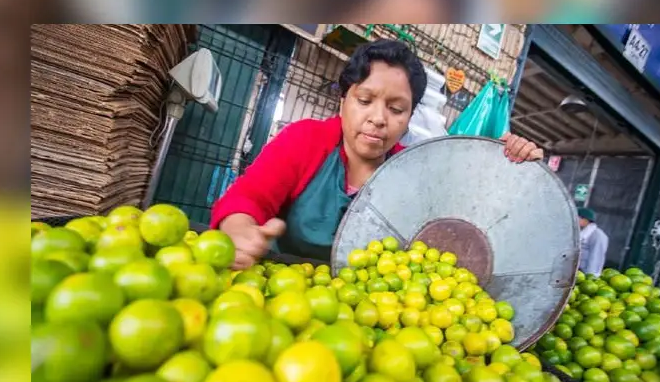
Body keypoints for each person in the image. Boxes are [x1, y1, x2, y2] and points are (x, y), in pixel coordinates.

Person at [211, 39, 544, 269]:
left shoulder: (413, 174)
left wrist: (511, 166)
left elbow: (469, 218)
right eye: (365, 100)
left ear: (410, 117)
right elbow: (248, 198)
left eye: (396, 109)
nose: (379, 118)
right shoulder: (305, 141)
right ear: (343, 101)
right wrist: (240, 229)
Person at [577, 207, 609, 277]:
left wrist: (591, 275)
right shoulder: (581, 231)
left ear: (585, 220)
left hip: (586, 273)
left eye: (577, 218)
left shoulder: (598, 235)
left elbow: (596, 257)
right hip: (578, 271)